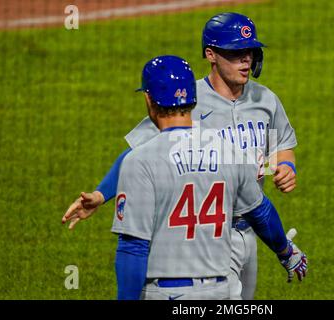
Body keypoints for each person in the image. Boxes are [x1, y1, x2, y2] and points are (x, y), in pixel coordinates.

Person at [62, 12, 302, 299]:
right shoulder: (185, 98)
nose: (246, 60)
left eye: (249, 52)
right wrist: (101, 195)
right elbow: (137, 153)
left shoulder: (265, 100)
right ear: (211, 55)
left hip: (253, 229)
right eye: (236, 52)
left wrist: (284, 166)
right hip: (211, 232)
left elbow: (276, 144)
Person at [108, 55, 306, 300]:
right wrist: (285, 251)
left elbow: (133, 248)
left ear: (149, 98)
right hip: (218, 289)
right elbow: (262, 212)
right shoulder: (231, 153)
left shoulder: (140, 160)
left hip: (166, 292)